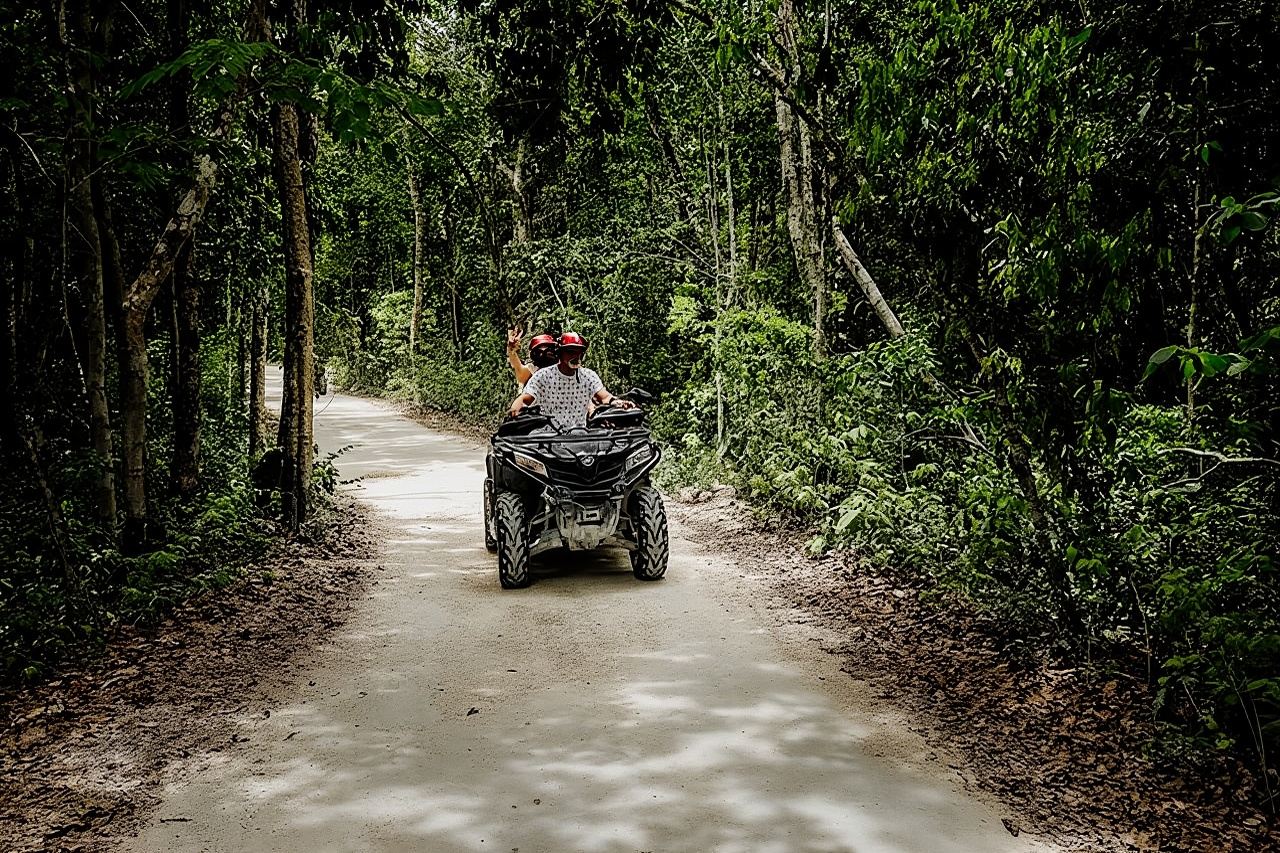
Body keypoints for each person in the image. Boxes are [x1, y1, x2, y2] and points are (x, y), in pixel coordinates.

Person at [509, 331, 635, 430]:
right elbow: (524, 398)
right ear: (561, 353)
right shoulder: (541, 375)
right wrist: (515, 411)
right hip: (548, 435)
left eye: (579, 352)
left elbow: (605, 397)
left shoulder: (588, 376)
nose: (575, 356)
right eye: (570, 352)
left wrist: (618, 403)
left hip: (580, 435)